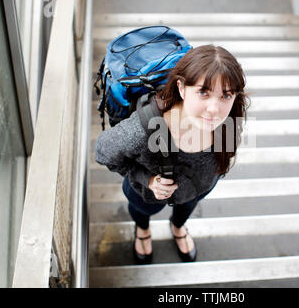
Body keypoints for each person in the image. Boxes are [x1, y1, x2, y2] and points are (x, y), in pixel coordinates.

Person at [95, 44, 249, 264]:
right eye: (203, 92)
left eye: (226, 95)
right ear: (182, 87)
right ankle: (143, 230)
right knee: (141, 212)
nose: (214, 109)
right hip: (148, 194)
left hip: (198, 188)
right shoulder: (142, 130)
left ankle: (178, 227)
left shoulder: (230, 121)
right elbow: (103, 151)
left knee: (187, 208)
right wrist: (145, 179)